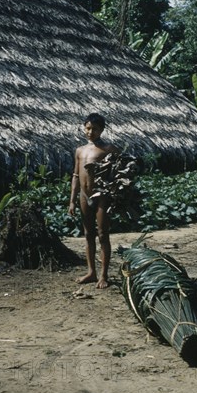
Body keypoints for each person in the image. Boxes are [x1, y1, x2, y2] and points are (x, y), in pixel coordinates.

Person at [68, 113, 120, 289]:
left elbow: (120, 173)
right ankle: (91, 272)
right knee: (88, 234)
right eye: (88, 128)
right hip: (84, 196)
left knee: (103, 234)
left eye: (95, 129)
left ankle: (104, 275)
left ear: (102, 130)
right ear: (84, 128)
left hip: (101, 197)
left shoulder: (108, 149)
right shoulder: (80, 151)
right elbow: (75, 176)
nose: (91, 132)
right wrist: (72, 201)